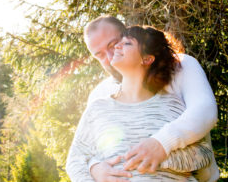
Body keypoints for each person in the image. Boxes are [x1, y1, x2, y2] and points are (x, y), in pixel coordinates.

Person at [67, 16, 219, 182]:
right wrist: (94, 167)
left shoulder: (181, 67)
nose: (110, 56)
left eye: (113, 44)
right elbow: (82, 154)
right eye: (99, 55)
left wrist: (160, 145)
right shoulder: (99, 97)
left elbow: (204, 112)